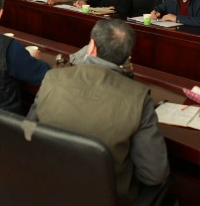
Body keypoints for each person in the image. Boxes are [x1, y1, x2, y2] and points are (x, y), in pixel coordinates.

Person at [27, 19, 169, 204]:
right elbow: (154, 174)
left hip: (46, 191)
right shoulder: (139, 97)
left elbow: (27, 134)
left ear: (91, 46)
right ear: (128, 56)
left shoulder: (52, 78)